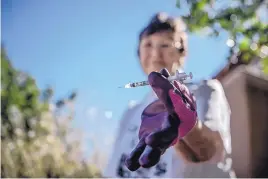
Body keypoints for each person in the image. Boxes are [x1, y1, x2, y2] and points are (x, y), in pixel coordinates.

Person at [103, 12, 235, 178]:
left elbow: (209, 151)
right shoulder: (131, 112)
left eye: (165, 45)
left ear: (182, 53)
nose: (156, 54)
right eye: (148, 45)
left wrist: (186, 124)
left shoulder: (205, 90)